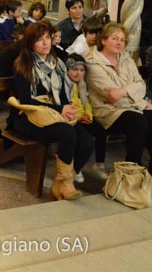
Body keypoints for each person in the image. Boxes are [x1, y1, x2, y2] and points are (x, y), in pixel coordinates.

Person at [9, 20, 94, 200]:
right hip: (28, 116)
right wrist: (59, 108)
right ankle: (66, 183)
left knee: (87, 141)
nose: (46, 43)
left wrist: (67, 109)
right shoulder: (23, 64)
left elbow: (63, 94)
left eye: (48, 38)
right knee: (68, 133)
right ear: (31, 43)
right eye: (40, 40)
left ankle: (61, 182)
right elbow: (26, 100)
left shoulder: (57, 63)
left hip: (53, 113)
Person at [85, 22, 152, 182]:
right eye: (115, 38)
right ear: (103, 40)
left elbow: (141, 84)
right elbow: (111, 96)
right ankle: (130, 171)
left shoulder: (126, 58)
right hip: (107, 110)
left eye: (122, 40)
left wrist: (125, 92)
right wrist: (139, 101)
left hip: (132, 105)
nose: (119, 43)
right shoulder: (92, 62)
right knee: (138, 122)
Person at [65, 54, 108, 181]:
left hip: (83, 117)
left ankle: (99, 164)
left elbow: (86, 102)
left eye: (82, 70)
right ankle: (75, 168)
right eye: (74, 69)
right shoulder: (65, 84)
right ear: (67, 70)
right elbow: (69, 104)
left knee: (101, 132)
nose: (78, 73)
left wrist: (88, 115)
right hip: (71, 118)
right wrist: (80, 117)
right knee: (84, 139)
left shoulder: (82, 84)